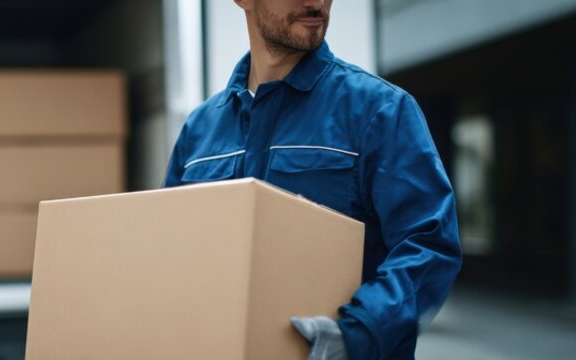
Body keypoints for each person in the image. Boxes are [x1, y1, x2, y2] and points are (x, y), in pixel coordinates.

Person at [163, 1, 462, 359]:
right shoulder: (200, 131)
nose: (317, 1)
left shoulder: (380, 111)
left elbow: (429, 244)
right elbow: (171, 252)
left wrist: (356, 334)